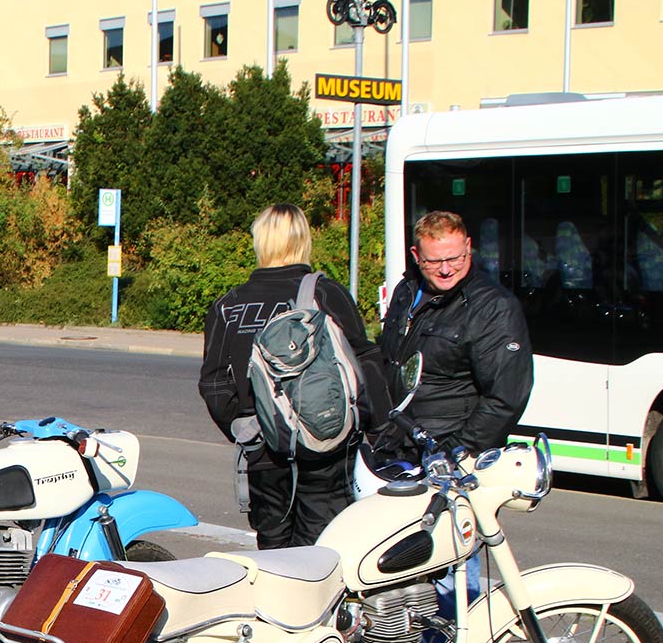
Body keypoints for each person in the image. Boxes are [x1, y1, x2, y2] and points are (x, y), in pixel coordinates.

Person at [199, 204, 382, 549]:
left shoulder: (227, 305)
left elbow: (213, 384)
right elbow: (365, 364)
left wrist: (248, 432)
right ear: (303, 240)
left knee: (274, 552)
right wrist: (378, 429)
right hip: (325, 448)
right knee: (323, 551)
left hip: (264, 452)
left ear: (260, 242)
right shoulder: (326, 293)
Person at [379, 210, 533, 459]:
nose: (446, 270)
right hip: (398, 443)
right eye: (434, 262)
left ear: (468, 247)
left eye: (455, 259)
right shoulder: (406, 290)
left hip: (450, 456)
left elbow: (506, 397)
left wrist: (456, 452)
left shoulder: (493, 306)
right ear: (416, 256)